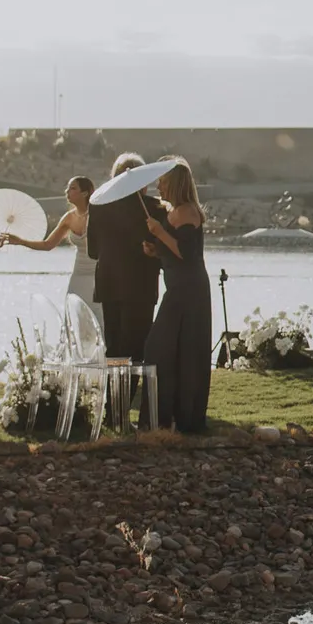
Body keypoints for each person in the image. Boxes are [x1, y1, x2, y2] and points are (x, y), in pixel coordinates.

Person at [141, 162, 212, 433]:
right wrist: (155, 251)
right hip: (179, 289)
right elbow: (174, 254)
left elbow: (188, 253)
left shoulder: (187, 212)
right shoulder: (175, 212)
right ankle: (162, 420)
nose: (159, 186)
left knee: (166, 349)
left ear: (176, 183)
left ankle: (179, 419)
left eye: (163, 181)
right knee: (168, 350)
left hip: (189, 292)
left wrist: (159, 233)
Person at [89, 152, 157, 359]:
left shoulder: (98, 206)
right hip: (141, 286)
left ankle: (114, 390)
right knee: (136, 347)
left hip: (109, 284)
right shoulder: (153, 208)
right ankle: (130, 390)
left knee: (114, 345)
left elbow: (93, 251)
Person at [15, 176, 98, 305]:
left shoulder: (98, 215)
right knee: (74, 310)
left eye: (73, 188)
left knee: (97, 312)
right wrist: (21, 241)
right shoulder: (69, 218)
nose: (67, 191)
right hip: (78, 273)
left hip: (97, 273)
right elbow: (47, 245)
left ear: (85, 193)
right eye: (68, 187)